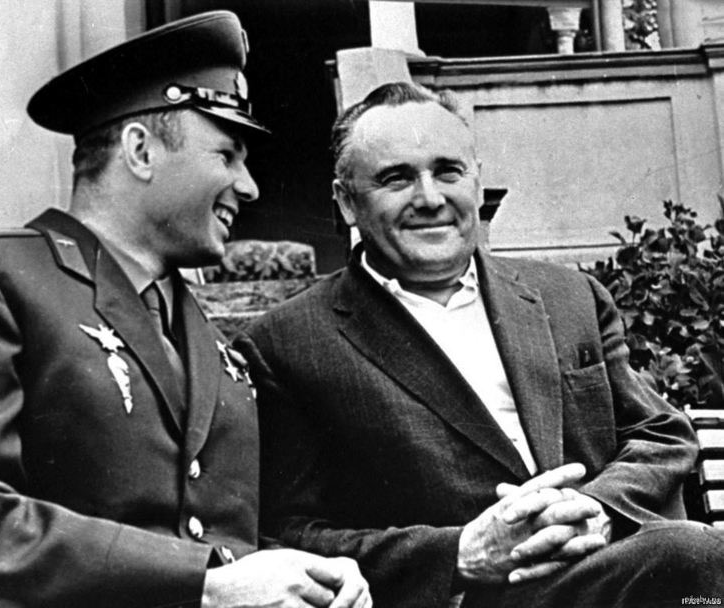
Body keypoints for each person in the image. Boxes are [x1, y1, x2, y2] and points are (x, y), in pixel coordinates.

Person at [0, 11, 370, 608]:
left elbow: (213, 537)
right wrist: (203, 587)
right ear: (140, 150)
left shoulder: (215, 346)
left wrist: (305, 576)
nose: (250, 186)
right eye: (227, 155)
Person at [235, 81, 724, 608]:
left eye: (448, 171)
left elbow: (660, 432)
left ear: (477, 180)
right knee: (695, 558)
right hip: (462, 597)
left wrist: (598, 509)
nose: (430, 199)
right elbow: (285, 533)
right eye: (396, 178)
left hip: (611, 570)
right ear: (346, 201)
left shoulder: (569, 296)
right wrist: (460, 553)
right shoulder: (285, 344)